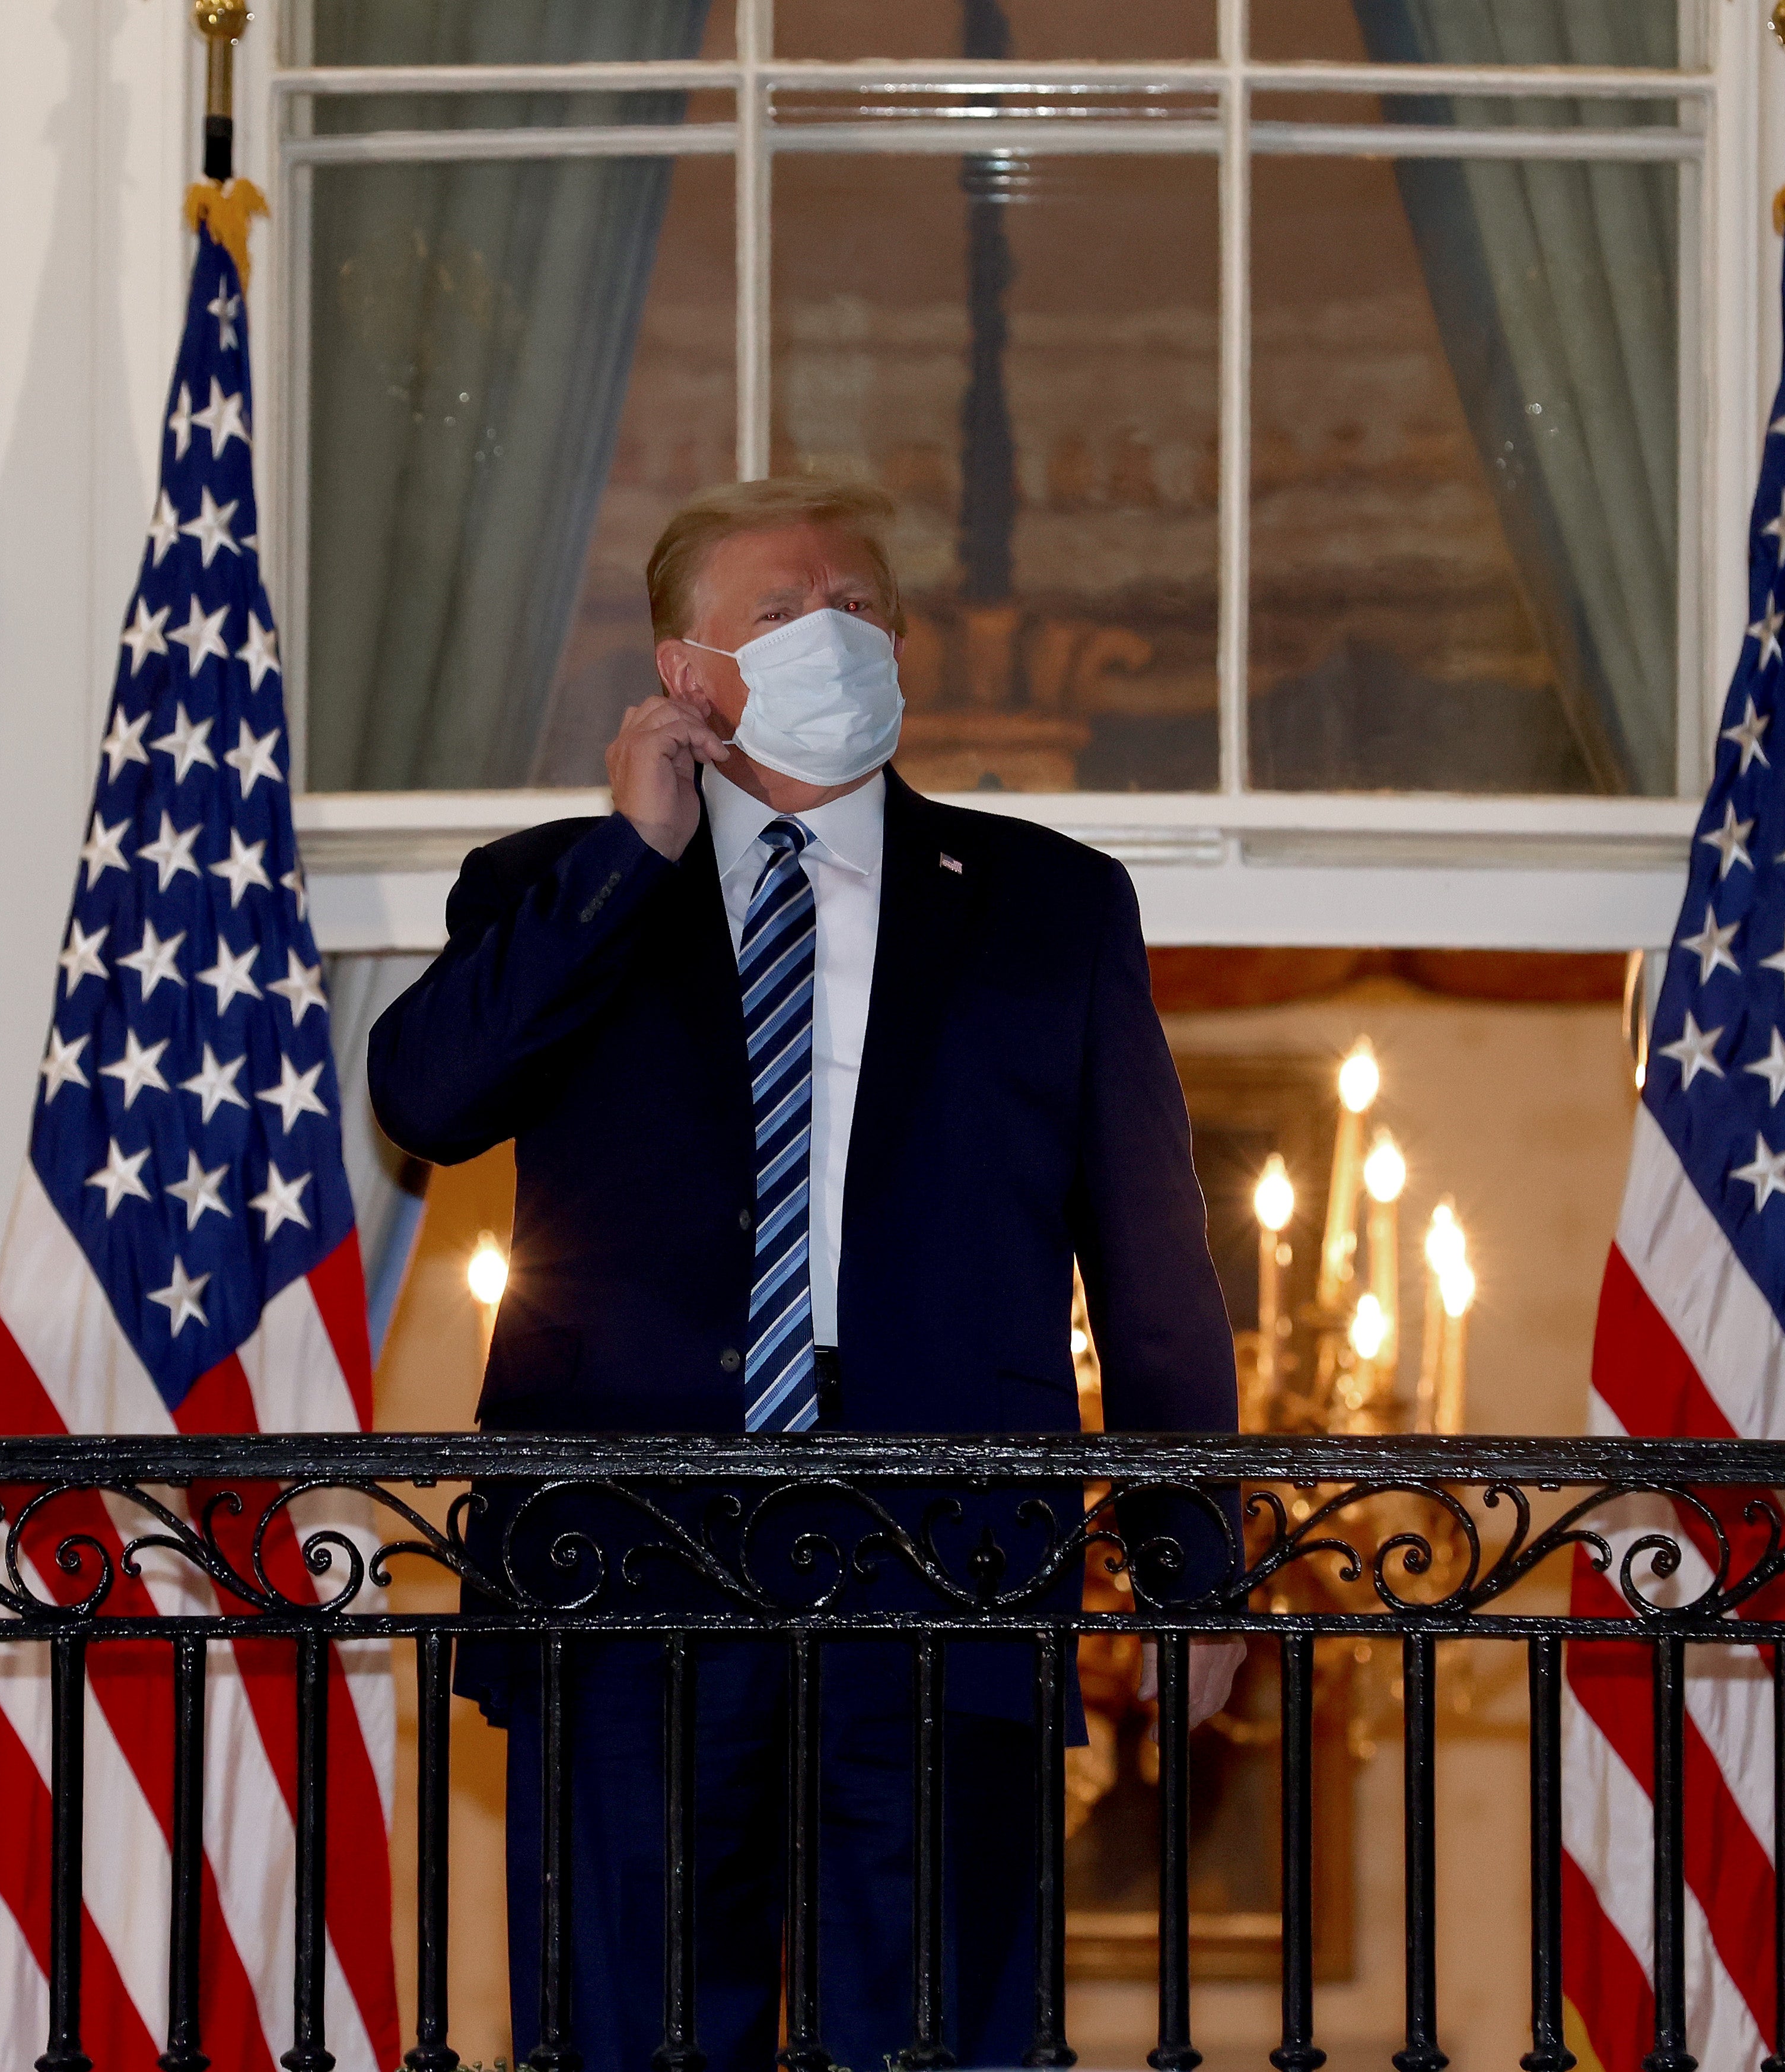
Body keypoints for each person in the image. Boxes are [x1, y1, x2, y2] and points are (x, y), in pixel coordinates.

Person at [368, 475, 1243, 2071]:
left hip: (947, 1553)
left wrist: (1192, 1562)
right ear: (682, 666)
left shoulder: (1049, 904)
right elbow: (425, 1098)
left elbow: (1150, 1256)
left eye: (859, 607)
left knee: (934, 2032)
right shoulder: (548, 887)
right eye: (782, 610)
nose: (834, 634)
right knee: (623, 2034)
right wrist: (631, 854)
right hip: (625, 1565)